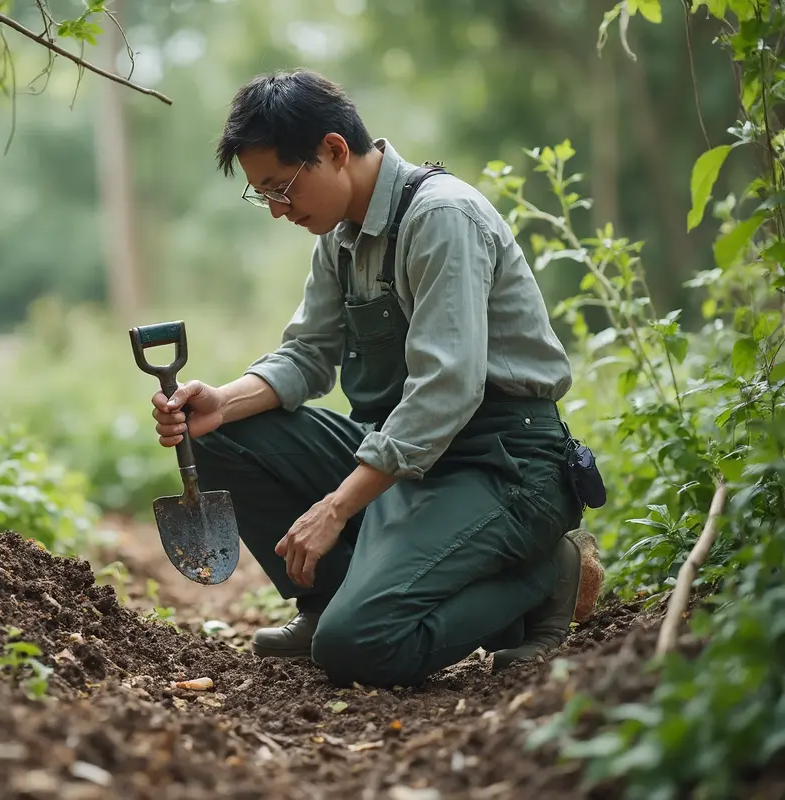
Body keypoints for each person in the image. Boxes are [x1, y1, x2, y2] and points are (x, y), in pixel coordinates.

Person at [149, 69, 602, 688]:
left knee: (358, 647)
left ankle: (545, 573)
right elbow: (308, 354)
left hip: (502, 465)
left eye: (282, 186)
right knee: (219, 433)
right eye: (264, 195)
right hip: (407, 459)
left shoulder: (444, 218)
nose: (279, 210)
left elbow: (447, 390)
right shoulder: (338, 237)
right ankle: (325, 599)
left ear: (334, 150)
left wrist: (337, 507)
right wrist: (220, 402)